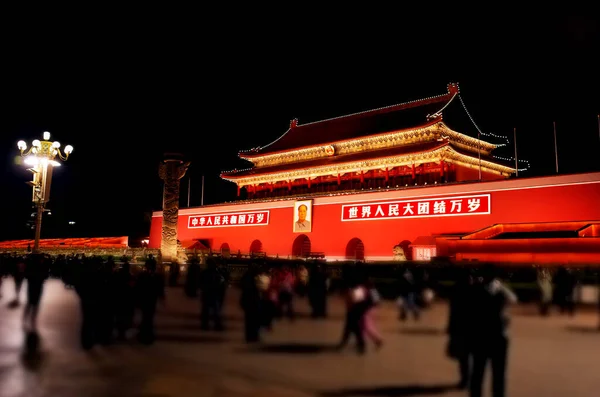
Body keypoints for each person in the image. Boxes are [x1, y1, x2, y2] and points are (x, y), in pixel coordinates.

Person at [469, 264, 517, 397]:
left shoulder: (476, 289)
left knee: (479, 372)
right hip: (497, 335)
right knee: (497, 372)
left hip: (483, 336)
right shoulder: (500, 289)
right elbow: (513, 299)